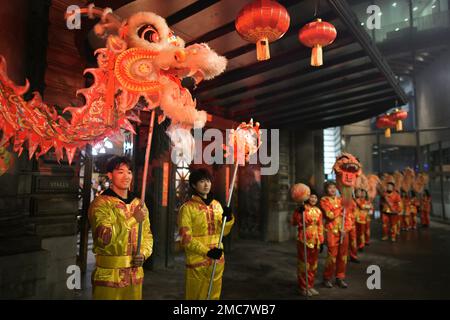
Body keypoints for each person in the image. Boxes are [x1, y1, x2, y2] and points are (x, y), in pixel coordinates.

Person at [88, 156, 153, 300]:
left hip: (135, 274)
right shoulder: (101, 204)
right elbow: (103, 237)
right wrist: (133, 220)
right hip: (109, 275)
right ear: (110, 175)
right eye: (120, 172)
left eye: (129, 172)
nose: (126, 176)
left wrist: (143, 254)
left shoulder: (138, 203)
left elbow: (147, 235)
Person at [178, 168, 234, 300]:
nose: (206, 184)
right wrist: (206, 252)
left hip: (217, 259)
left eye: (208, 181)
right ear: (193, 185)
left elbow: (223, 232)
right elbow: (186, 238)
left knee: (214, 295)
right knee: (196, 296)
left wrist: (229, 219)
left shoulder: (217, 206)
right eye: (202, 181)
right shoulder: (187, 208)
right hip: (197, 261)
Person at [291, 189, 324, 296]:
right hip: (303, 239)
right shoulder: (302, 209)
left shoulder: (319, 211)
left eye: (315, 197)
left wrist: (321, 240)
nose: (313, 199)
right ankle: (303, 286)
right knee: (304, 264)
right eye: (311, 197)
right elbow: (294, 222)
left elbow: (320, 226)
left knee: (313, 265)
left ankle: (310, 285)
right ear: (306, 197)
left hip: (315, 240)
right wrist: (299, 213)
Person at [321, 181, 352, 289]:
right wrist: (340, 208)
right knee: (331, 256)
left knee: (343, 256)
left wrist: (346, 229)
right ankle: (327, 278)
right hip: (331, 231)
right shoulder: (324, 200)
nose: (332, 190)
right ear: (326, 189)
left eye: (334, 187)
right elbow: (330, 215)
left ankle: (340, 277)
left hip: (343, 231)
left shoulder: (341, 200)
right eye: (330, 188)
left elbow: (348, 216)